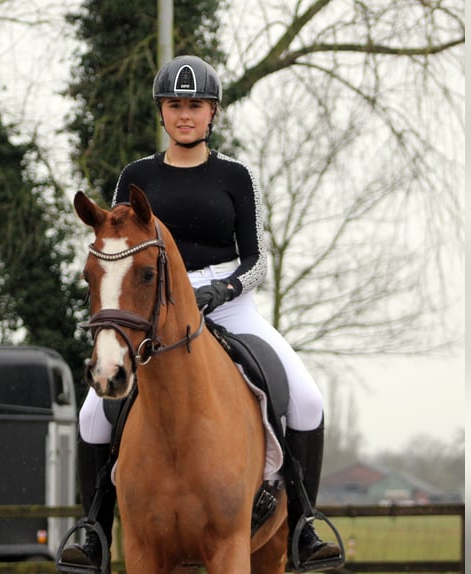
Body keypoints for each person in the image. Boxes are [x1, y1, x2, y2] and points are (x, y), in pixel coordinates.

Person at [61, 55, 340, 570]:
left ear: (212, 112)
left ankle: (303, 524)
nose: (184, 115)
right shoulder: (136, 175)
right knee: (92, 412)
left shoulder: (236, 176)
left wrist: (226, 288)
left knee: (306, 399)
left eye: (195, 105)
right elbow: (122, 245)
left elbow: (257, 257)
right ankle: (93, 528)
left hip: (231, 306)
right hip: (152, 304)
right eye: (174, 105)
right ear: (161, 113)